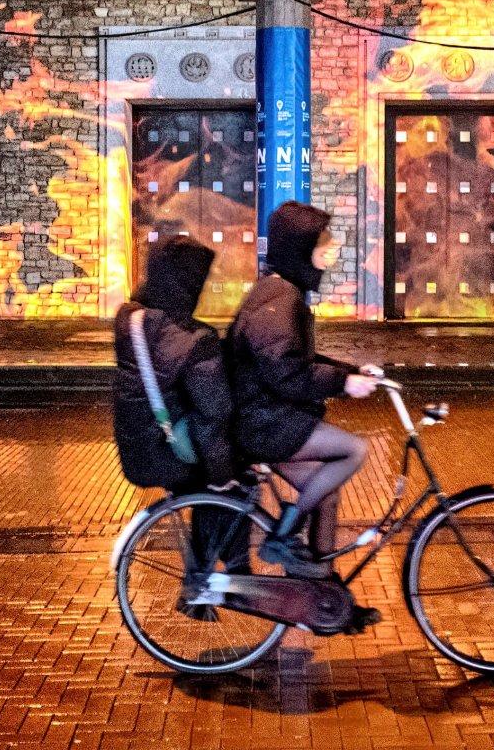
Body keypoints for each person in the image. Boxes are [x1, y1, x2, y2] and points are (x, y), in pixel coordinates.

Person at [227, 200, 381, 631]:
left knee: (326, 491)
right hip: (263, 421)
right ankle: (281, 536)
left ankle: (325, 598)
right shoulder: (280, 295)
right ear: (302, 246)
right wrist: (342, 384)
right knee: (352, 450)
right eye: (324, 241)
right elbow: (285, 369)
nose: (332, 249)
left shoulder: (284, 289)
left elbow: (298, 357)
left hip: (270, 416)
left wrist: (350, 372)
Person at [112, 239, 239, 495]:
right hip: (168, 457)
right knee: (237, 480)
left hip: (136, 454)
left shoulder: (133, 323)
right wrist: (222, 478)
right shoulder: (195, 340)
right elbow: (213, 415)